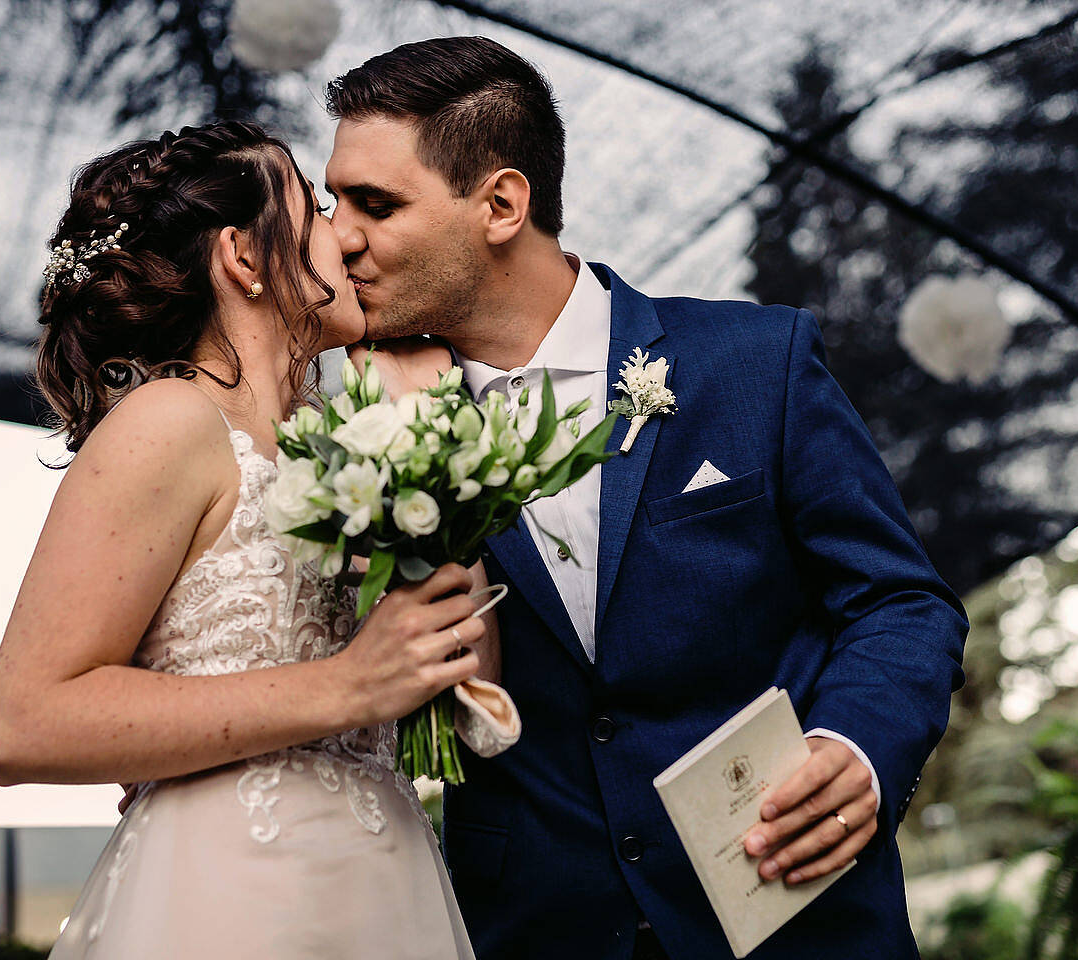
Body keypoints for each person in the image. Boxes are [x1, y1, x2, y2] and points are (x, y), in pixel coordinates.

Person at [320, 37, 971, 960]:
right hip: (540, 931)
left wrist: (857, 750)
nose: (338, 236)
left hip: (797, 916)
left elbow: (902, 603)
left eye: (375, 205)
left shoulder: (756, 363)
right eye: (332, 202)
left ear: (501, 204)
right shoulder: (352, 426)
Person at [0, 119, 491, 959]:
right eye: (318, 212)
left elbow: (469, 694)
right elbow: (19, 724)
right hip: (230, 896)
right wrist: (344, 689)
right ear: (244, 260)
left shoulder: (343, 438)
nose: (349, 236)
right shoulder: (170, 420)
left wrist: (428, 446)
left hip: (382, 887)